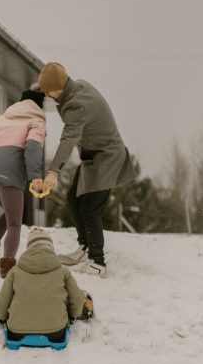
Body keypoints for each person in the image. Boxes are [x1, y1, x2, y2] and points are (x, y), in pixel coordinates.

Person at [37, 62, 137, 278]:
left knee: (91, 208)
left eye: (48, 90)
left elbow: (68, 139)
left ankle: (97, 262)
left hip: (106, 157)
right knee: (74, 199)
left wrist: (53, 172)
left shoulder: (76, 105)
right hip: (93, 155)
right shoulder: (78, 86)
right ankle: (84, 248)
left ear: (59, 86)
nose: (47, 95)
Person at [0, 85, 47, 278]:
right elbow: (33, 148)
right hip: (8, 169)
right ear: (40, 104)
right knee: (15, 222)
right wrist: (36, 177)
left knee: (9, 212)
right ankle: (8, 267)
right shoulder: (36, 120)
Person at [0, 228, 93, 342]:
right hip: (55, 332)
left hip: (17, 331)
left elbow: (3, 301)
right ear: (50, 247)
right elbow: (78, 298)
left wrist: (0, 317)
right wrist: (73, 316)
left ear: (29, 248)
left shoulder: (14, 271)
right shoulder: (62, 271)